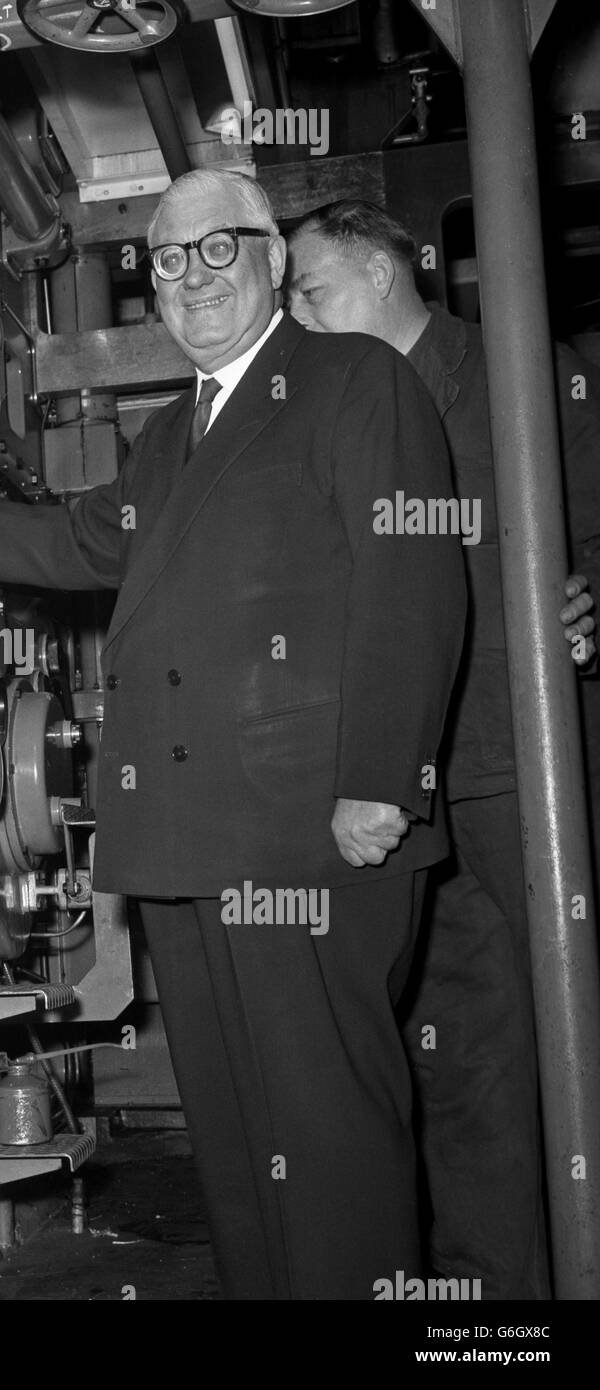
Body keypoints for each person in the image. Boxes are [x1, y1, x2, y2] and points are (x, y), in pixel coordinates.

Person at [0, 169, 466, 1299]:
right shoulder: (174, 431)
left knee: (327, 1137)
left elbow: (411, 578)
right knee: (238, 1148)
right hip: (191, 842)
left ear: (273, 258)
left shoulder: (351, 379)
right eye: (168, 261)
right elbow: (87, 544)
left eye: (218, 249)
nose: (191, 279)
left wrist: (382, 778)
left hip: (309, 836)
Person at [286, 198, 600, 1299]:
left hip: (541, 768)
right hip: (422, 791)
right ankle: (496, 1307)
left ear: (377, 269)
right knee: (463, 1060)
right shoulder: (329, 411)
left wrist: (591, 596)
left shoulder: (527, 371)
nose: (293, 315)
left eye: (308, 288)